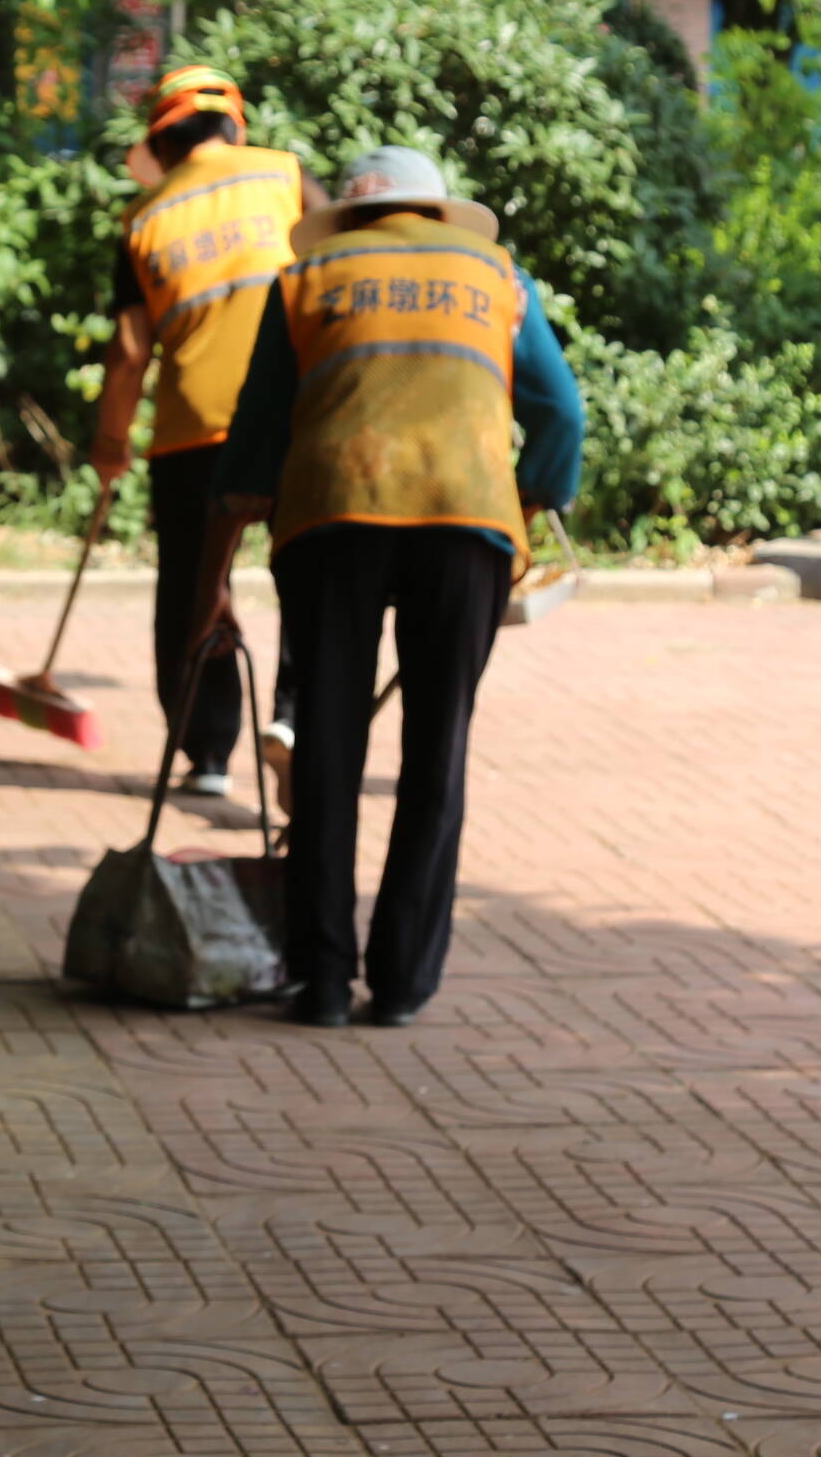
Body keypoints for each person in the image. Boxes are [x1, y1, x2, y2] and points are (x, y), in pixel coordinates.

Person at [195, 146, 584, 1028]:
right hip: (466, 523)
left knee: (328, 746)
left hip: (332, 520)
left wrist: (213, 575)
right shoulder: (498, 278)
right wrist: (527, 503)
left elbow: (254, 438)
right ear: (436, 210)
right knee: (436, 752)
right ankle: (403, 980)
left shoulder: (306, 277)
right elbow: (561, 413)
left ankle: (323, 980)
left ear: (350, 212)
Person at [91, 66, 321, 807]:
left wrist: (110, 444)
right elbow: (342, 263)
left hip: (193, 430)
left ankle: (208, 750)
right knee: (311, 574)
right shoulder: (286, 177)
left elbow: (130, 353)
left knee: (194, 587)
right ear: (234, 124)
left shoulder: (143, 219)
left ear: (160, 143)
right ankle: (297, 716)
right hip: (294, 415)